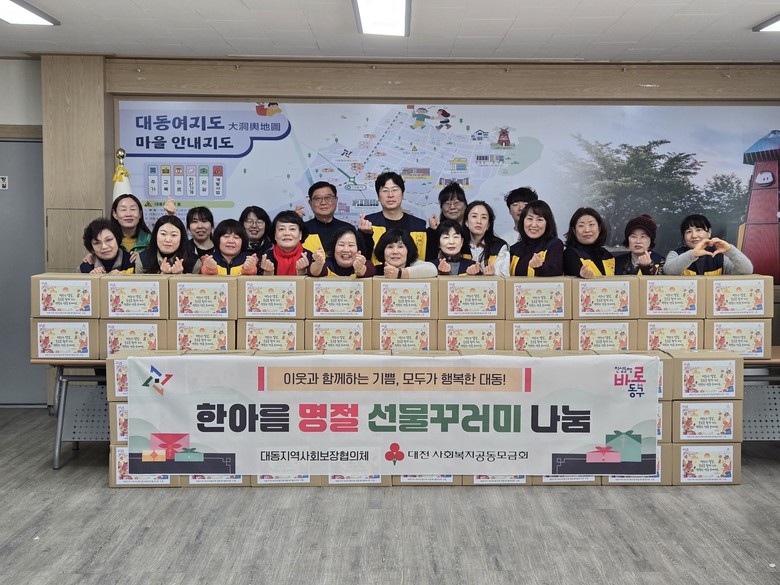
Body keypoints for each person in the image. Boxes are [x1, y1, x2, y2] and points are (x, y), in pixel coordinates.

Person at [358, 172, 427, 265]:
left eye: (395, 190)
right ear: (378, 196)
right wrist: (365, 235)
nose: (390, 195)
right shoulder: (368, 223)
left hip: (412, 274)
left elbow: (428, 261)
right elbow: (360, 260)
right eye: (385, 190)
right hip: (378, 273)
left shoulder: (419, 225)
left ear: (402, 194)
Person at [663, 214, 753, 275]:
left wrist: (730, 250)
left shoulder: (720, 256)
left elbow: (746, 271)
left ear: (709, 232)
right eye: (688, 231)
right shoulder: (675, 254)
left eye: (699, 230)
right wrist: (693, 254)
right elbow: (668, 271)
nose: (694, 235)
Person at [302, 181, 371, 257]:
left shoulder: (347, 228)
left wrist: (366, 234)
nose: (323, 202)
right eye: (317, 199)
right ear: (310, 203)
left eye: (328, 198)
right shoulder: (302, 229)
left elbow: (362, 256)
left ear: (336, 200)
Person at [509, 200, 564, 277]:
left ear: (547, 223)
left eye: (539, 220)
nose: (534, 225)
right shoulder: (514, 249)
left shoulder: (554, 244)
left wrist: (539, 267)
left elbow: (555, 272)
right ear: (523, 221)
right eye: (530, 219)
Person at [136, 216, 201, 274]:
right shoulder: (142, 259)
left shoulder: (194, 262)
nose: (168, 240)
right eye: (163, 234)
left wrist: (180, 277)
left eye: (174, 235)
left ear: (181, 238)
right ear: (156, 235)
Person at [259, 210, 315, 276]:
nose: (286, 233)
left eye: (292, 229)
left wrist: (302, 273)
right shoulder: (266, 258)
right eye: (281, 229)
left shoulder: (309, 257)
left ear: (300, 234)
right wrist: (268, 274)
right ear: (274, 235)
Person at [563, 207, 614, 278]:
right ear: (574, 230)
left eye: (591, 224)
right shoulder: (569, 254)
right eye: (581, 225)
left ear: (599, 228)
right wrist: (581, 274)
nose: (587, 230)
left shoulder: (607, 255)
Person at [462, 200, 510, 276]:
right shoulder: (459, 245)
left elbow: (505, 277)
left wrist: (493, 275)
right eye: (474, 216)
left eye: (484, 217)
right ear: (466, 222)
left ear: (488, 225)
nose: (479, 221)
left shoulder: (499, 247)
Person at [310, 225, 375, 278]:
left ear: (358, 249)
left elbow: (369, 271)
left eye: (351, 245)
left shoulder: (365, 264)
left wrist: (360, 269)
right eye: (341, 245)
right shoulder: (326, 264)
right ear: (334, 248)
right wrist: (318, 264)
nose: (346, 250)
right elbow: (314, 272)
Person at [426, 182, 468, 260]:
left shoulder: (472, 229)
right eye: (447, 204)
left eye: (457, 203)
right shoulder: (432, 231)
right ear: (441, 207)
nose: (452, 207)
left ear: (465, 205)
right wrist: (435, 232)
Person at [111, 194, 151, 260]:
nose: (128, 214)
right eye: (123, 210)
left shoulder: (150, 240)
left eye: (133, 209)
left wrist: (143, 258)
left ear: (140, 214)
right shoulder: (108, 241)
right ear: (115, 214)